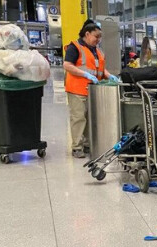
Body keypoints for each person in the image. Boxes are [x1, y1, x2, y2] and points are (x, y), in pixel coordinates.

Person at [63, 19, 119, 158]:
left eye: (100, 37)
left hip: (93, 90)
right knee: (79, 118)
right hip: (77, 89)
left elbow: (100, 69)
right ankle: (77, 147)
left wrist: (109, 76)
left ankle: (87, 144)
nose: (98, 40)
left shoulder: (96, 50)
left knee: (90, 118)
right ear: (87, 34)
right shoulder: (75, 47)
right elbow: (67, 65)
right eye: (96, 36)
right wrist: (85, 74)